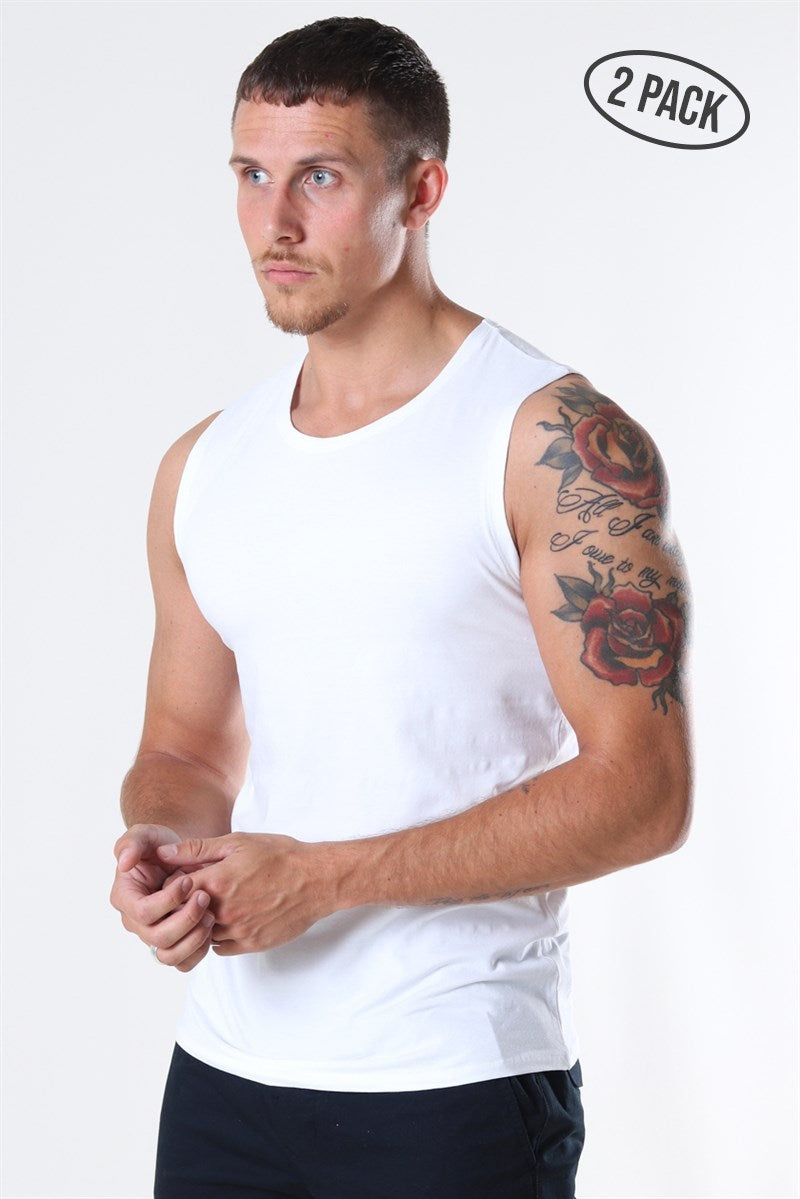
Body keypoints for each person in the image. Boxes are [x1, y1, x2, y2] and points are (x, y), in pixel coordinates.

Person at [110, 15, 693, 1199]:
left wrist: (321, 878)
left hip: (451, 1082)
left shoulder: (551, 442)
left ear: (419, 190)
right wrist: (161, 850)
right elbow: (182, 748)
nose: (274, 222)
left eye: (319, 177)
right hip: (225, 1076)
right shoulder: (204, 464)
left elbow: (644, 790)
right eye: (250, 174)